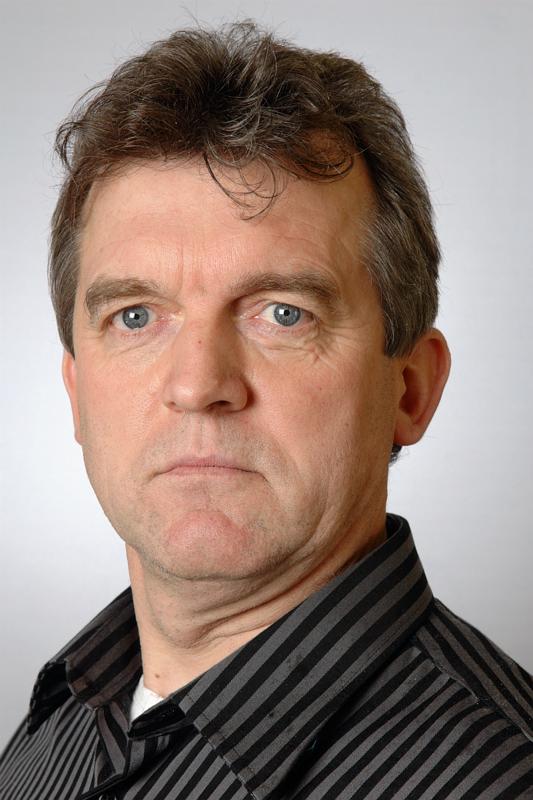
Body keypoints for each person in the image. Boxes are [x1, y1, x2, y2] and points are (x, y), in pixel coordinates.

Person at [1, 20, 531, 800]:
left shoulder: (496, 778)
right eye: (136, 316)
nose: (197, 384)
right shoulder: (62, 719)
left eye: (283, 314)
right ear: (77, 396)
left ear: (410, 390)